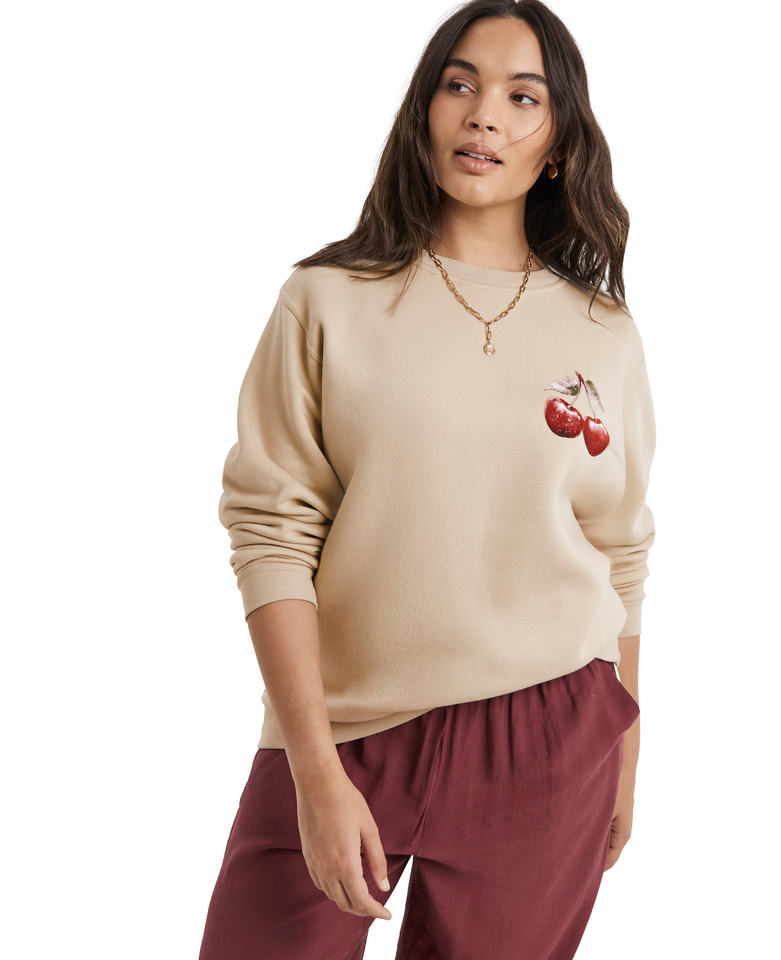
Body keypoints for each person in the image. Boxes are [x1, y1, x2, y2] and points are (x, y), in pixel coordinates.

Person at [197, 2, 656, 957]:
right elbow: (272, 530)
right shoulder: (326, 300)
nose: (484, 114)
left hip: (549, 731)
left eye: (522, 97)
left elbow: (619, 548)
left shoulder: (603, 333)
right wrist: (314, 771)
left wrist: (627, 748)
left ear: (559, 144)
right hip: (343, 725)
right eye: (460, 84)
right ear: (425, 111)